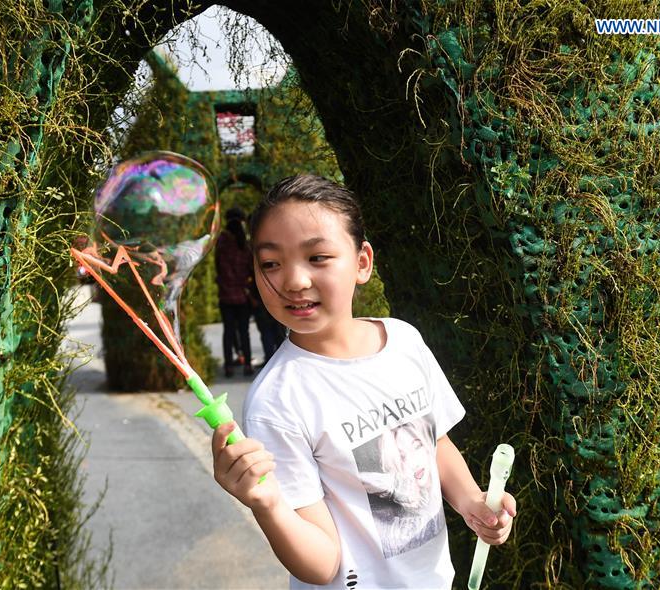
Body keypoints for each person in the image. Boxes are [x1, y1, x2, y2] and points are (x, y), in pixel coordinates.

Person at [210, 175, 516, 588]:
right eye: (270, 263)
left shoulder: (404, 341)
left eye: (317, 257)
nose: (294, 280)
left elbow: (434, 441)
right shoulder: (277, 399)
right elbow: (321, 564)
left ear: (362, 262)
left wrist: (472, 501)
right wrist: (267, 505)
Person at [214, 207, 254, 377]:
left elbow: (220, 267)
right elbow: (250, 268)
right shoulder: (243, 242)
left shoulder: (222, 241)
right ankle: (247, 365)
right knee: (244, 331)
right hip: (242, 295)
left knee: (228, 331)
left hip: (226, 294)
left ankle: (229, 365)